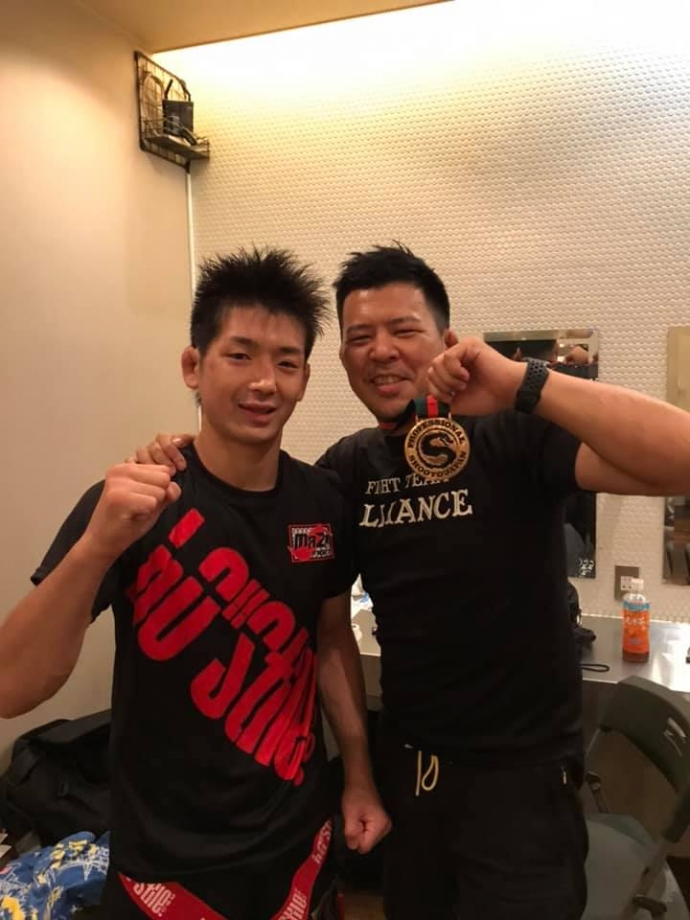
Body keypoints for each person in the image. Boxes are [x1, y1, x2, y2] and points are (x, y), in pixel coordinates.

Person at [134, 243, 690, 920]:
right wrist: (181, 457)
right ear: (341, 362)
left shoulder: (510, 435)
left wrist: (524, 383)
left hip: (519, 789)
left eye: (404, 330)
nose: (381, 351)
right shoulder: (347, 470)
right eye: (360, 337)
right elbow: (316, 611)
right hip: (410, 778)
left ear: (446, 341)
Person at [0, 248, 390, 920]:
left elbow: (330, 640)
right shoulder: (131, 502)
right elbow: (12, 688)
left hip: (299, 846)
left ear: (304, 379)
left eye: (286, 362)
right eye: (239, 355)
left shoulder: (323, 502)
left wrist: (357, 776)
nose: (264, 382)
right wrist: (97, 546)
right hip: (165, 868)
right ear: (193, 366)